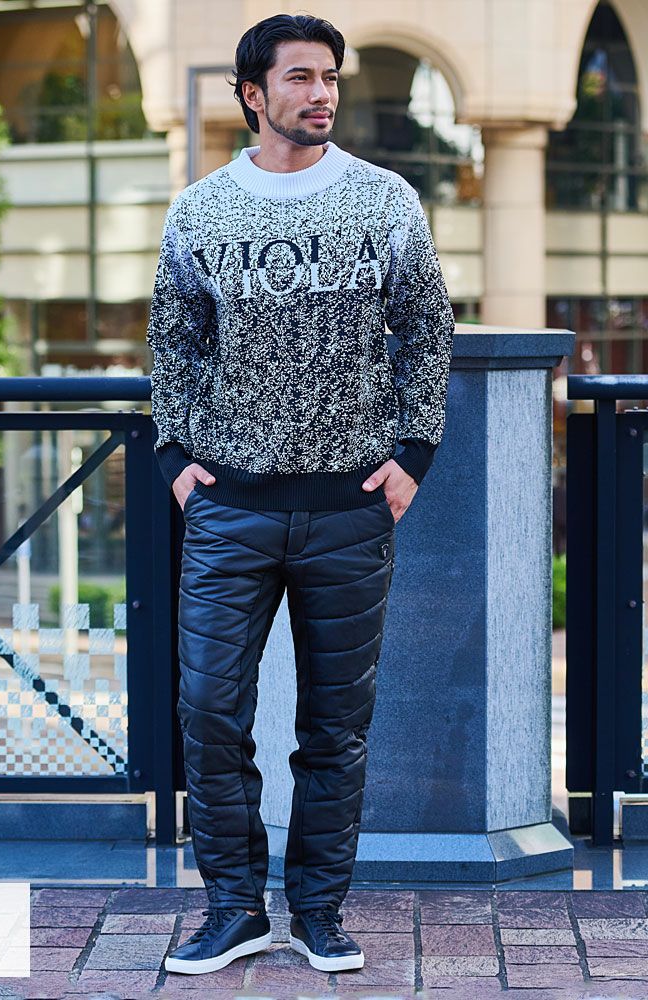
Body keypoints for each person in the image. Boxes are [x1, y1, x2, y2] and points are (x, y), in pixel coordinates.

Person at [147, 11, 454, 977]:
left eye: (329, 77)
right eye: (299, 78)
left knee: (334, 727)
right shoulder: (200, 210)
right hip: (228, 507)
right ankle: (234, 909)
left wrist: (413, 455)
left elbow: (428, 329)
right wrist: (174, 457)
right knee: (208, 712)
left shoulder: (385, 199)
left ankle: (318, 911)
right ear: (253, 94)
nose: (321, 94)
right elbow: (173, 341)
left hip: (350, 509)